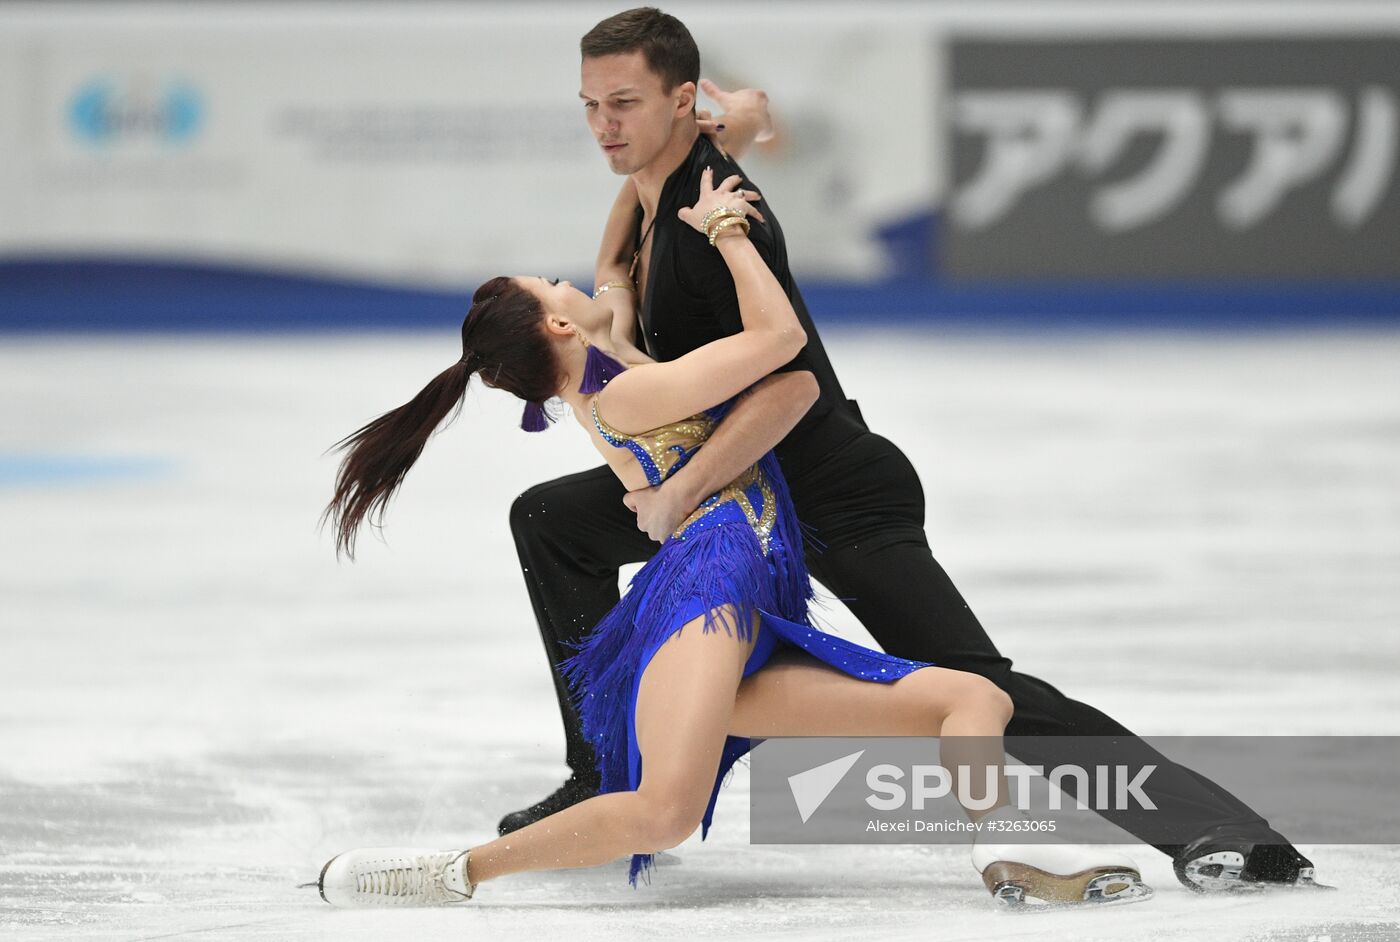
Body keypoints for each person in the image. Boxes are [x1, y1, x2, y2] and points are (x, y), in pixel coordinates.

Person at [501, 6, 1322, 893]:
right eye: (590, 105)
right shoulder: (667, 180)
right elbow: (737, 124)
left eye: (622, 104)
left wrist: (677, 494)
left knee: (977, 687)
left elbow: (790, 388)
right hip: (748, 492)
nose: (603, 127)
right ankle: (600, 773)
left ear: (679, 100)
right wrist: (737, 123)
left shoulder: (719, 227)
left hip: (830, 488)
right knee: (551, 521)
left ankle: (1222, 829)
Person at [313, 170, 1153, 909]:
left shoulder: (604, 361)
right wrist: (727, 231)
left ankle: (1011, 853)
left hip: (747, 593)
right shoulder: (628, 397)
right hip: (708, 585)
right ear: (559, 329)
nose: (569, 278)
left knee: (974, 699)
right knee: (664, 812)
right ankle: (449, 874)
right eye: (549, 284)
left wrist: (654, 169)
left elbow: (612, 270)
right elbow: (782, 346)